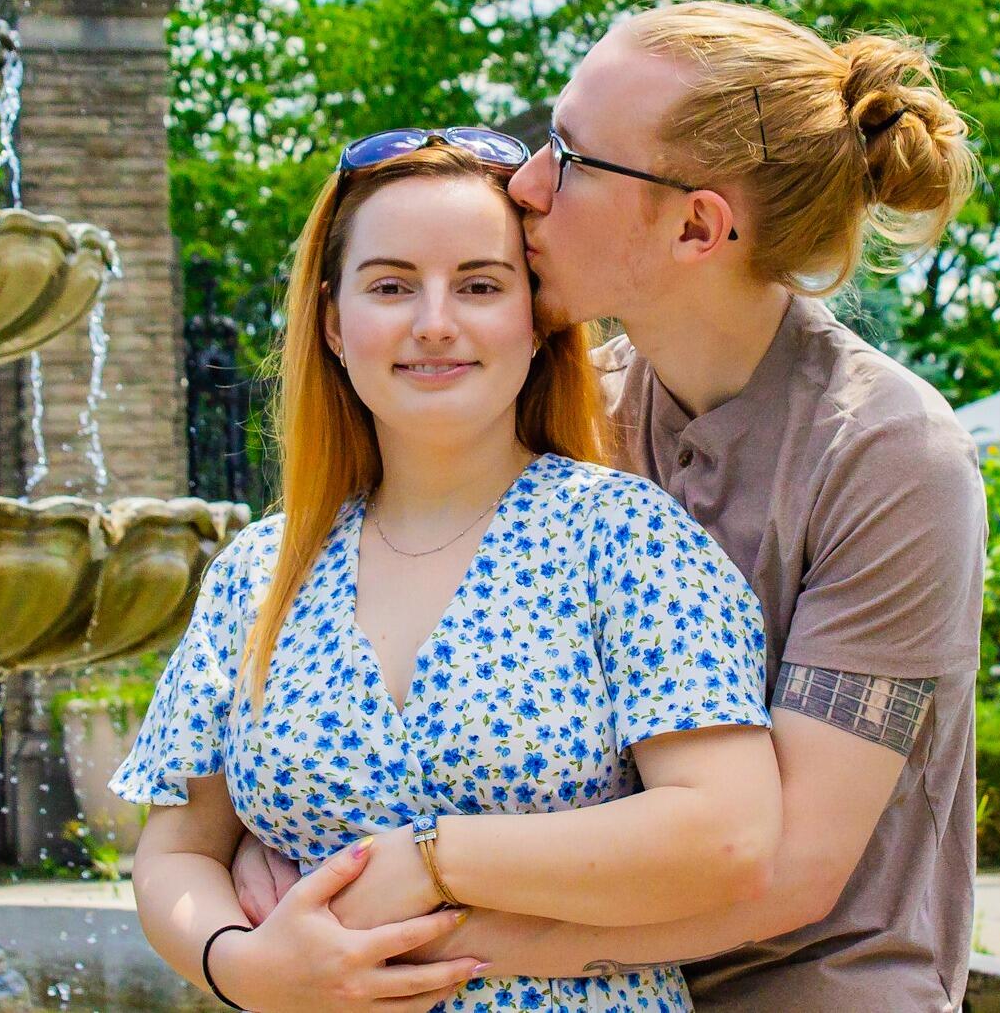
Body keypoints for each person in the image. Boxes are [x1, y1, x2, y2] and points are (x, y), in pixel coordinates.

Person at [235, 1, 987, 1011]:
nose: (524, 183)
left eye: (569, 157)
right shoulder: (568, 410)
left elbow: (787, 873)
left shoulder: (889, 458)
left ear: (695, 225)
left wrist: (394, 932)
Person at [110, 130, 783, 1013]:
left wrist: (426, 859)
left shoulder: (625, 539)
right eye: (390, 286)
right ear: (331, 324)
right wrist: (239, 965)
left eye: (479, 285)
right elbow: (176, 851)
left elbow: (726, 837)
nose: (434, 321)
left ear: (536, 322)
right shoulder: (259, 573)